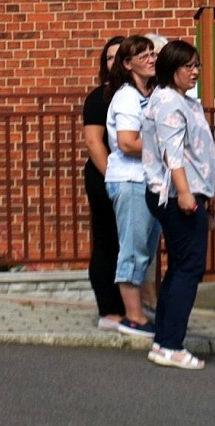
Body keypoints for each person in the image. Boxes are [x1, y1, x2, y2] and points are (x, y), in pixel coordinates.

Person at [142, 39, 215, 370]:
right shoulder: (170, 102)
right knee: (189, 267)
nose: (195, 71)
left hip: (183, 192)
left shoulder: (179, 100)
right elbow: (172, 152)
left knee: (180, 267)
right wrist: (186, 193)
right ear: (172, 70)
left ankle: (163, 340)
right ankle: (171, 344)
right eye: (188, 66)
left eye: (197, 65)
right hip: (177, 195)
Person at [104, 34, 159, 337]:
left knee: (145, 250)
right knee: (133, 248)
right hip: (130, 180)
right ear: (127, 64)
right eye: (143, 55)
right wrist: (164, 147)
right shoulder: (126, 97)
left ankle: (138, 311)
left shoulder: (150, 94)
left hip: (147, 181)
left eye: (152, 53)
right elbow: (127, 142)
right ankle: (133, 316)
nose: (151, 58)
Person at [82, 35, 126, 330]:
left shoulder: (141, 95)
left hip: (133, 179)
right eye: (108, 58)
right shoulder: (99, 98)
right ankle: (108, 309)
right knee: (107, 241)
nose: (113, 63)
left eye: (118, 57)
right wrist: (114, 179)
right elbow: (95, 143)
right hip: (105, 177)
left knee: (130, 244)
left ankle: (129, 306)